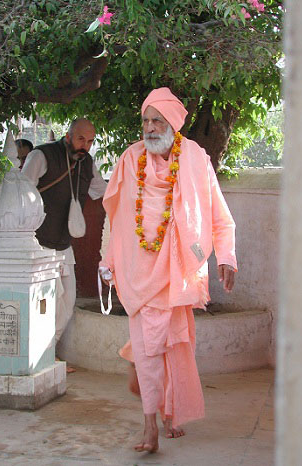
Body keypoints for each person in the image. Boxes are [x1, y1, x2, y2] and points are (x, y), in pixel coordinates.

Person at [99, 88, 237, 453]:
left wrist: (226, 256)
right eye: (145, 120)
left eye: (157, 120)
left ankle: (164, 417)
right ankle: (152, 424)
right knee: (150, 350)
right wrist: (107, 260)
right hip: (138, 274)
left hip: (176, 274)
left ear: (174, 124)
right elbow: (118, 219)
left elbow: (219, 216)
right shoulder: (130, 160)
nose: (149, 127)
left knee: (172, 345)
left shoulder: (194, 159)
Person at [22, 119, 107, 351]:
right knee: (38, 302)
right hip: (36, 245)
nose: (86, 146)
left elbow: (104, 191)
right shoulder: (42, 155)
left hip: (63, 245)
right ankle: (34, 354)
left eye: (90, 141)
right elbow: (22, 191)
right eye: (81, 139)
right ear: (68, 136)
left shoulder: (87, 162)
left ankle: (46, 353)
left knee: (67, 302)